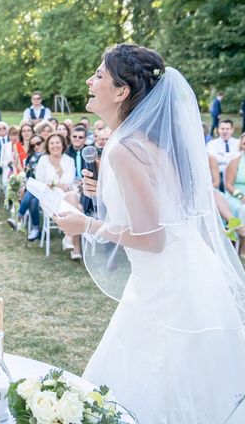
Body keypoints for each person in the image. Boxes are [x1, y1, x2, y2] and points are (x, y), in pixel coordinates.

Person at [55, 43, 245, 422]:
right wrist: (101, 189)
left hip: (166, 287)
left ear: (121, 92)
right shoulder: (141, 142)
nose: (90, 81)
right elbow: (164, 206)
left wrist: (85, 224)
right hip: (181, 272)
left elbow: (154, 238)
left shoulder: (124, 148)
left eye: (98, 76)